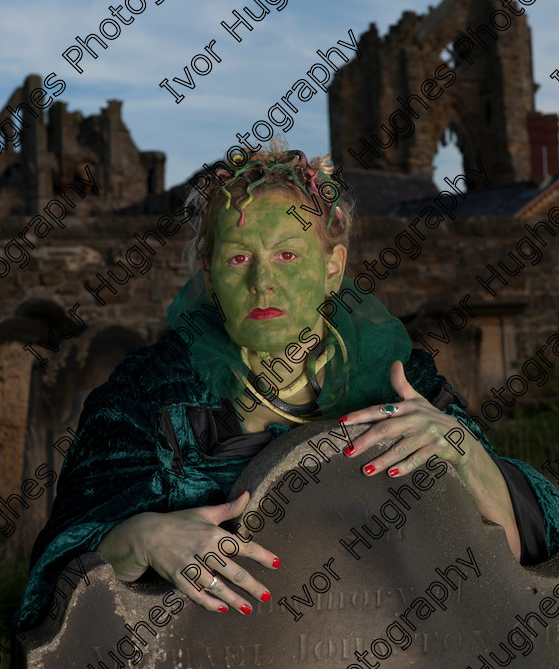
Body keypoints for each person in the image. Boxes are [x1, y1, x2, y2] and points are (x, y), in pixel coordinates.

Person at [12, 143, 559, 632]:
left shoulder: (406, 380)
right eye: (239, 257)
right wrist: (140, 536)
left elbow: (521, 557)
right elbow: (53, 581)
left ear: (333, 266)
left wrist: (467, 460)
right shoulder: (148, 395)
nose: (262, 280)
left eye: (288, 254)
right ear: (209, 274)